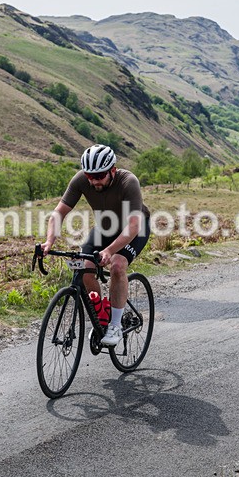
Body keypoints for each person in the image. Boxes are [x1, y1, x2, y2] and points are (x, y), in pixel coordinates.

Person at [40, 144, 151, 346]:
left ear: (112, 171)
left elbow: (134, 226)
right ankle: (102, 315)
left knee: (117, 265)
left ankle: (116, 325)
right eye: (90, 175)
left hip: (134, 229)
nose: (93, 180)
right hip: (105, 228)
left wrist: (109, 251)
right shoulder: (82, 179)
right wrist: (49, 241)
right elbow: (59, 213)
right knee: (85, 267)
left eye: (99, 176)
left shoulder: (129, 182)